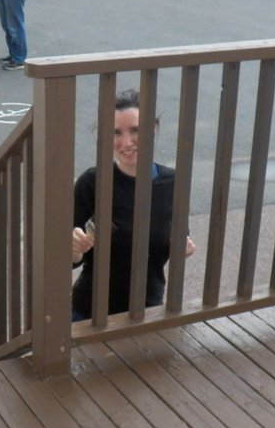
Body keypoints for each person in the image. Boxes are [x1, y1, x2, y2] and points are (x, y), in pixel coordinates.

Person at [70, 90, 195, 321]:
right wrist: (75, 247)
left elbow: (179, 234)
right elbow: (70, 259)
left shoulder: (173, 182)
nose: (126, 142)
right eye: (116, 133)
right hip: (90, 313)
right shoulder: (92, 183)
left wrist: (183, 245)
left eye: (135, 130)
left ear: (153, 129)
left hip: (148, 311)